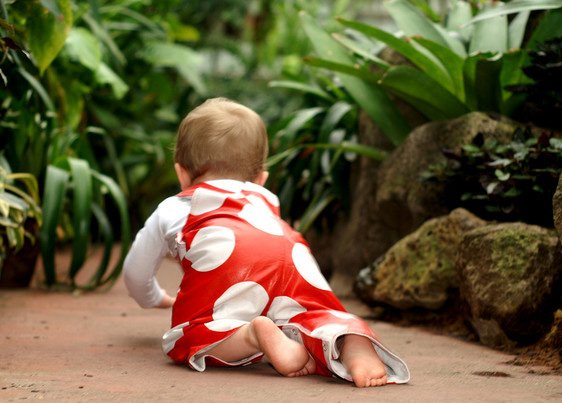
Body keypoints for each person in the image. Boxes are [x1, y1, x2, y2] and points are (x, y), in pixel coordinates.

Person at [123, 98, 410, 387]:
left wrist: (156, 298)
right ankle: (347, 338)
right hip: (290, 253)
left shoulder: (174, 207)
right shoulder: (261, 201)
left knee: (190, 337)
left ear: (181, 173)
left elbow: (136, 274)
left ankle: (251, 335)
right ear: (261, 179)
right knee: (307, 313)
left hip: (231, 259)